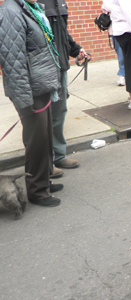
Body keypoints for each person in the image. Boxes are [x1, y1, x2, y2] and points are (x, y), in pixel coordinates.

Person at [0, 0, 64, 207]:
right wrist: (24, 99)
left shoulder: (27, 8)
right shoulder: (10, 11)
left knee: (44, 138)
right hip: (30, 90)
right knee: (36, 142)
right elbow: (13, 60)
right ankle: (37, 191)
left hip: (40, 86)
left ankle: (43, 179)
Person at [37, 0, 87, 178]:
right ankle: (45, 162)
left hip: (61, 65)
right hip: (45, 67)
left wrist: (75, 49)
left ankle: (58, 155)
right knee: (44, 117)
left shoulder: (59, 2)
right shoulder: (35, 3)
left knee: (59, 112)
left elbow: (62, 32)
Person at [101, 0, 125, 87]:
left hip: (130, 29)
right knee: (121, 54)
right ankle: (123, 75)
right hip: (116, 30)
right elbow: (107, 7)